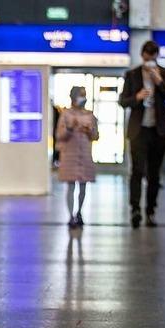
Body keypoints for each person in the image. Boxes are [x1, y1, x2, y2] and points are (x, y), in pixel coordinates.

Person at [119, 40, 165, 228]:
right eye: (146, 56)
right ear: (142, 55)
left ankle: (150, 211)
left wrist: (159, 81)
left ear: (156, 56)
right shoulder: (132, 74)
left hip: (158, 131)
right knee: (137, 171)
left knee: (154, 174)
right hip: (138, 130)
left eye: (153, 56)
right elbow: (123, 101)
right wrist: (137, 97)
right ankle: (135, 209)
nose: (149, 59)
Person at [55, 87, 99, 228]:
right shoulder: (66, 114)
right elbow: (59, 135)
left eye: (85, 95)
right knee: (71, 186)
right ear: (73, 97)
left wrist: (89, 131)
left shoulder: (90, 115)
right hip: (69, 155)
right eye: (81, 95)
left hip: (84, 154)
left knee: (83, 186)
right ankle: (70, 216)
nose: (83, 98)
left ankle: (79, 212)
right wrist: (70, 128)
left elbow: (96, 136)